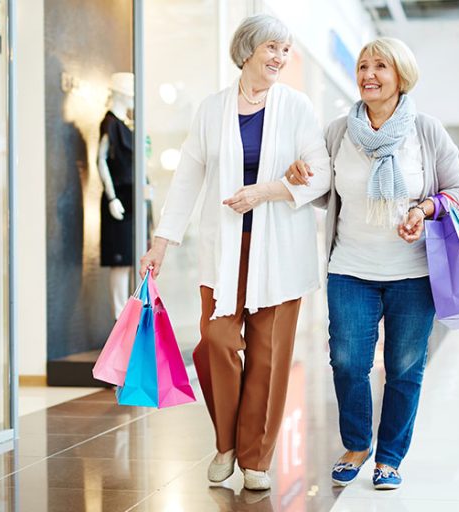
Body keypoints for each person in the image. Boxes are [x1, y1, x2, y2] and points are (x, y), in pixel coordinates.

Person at [139, 14, 330, 491]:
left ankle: (255, 459)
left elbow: (321, 175)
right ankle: (226, 441)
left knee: (268, 357)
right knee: (217, 342)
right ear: (246, 50)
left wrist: (267, 190)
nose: (280, 58)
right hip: (226, 249)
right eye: (272, 48)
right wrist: (161, 241)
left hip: (280, 251)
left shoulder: (298, 107)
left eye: (285, 51)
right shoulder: (212, 109)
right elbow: (187, 179)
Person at [287, 37, 459, 490]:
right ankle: (356, 444)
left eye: (380, 66)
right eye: (363, 66)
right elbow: (323, 192)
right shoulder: (337, 132)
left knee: (405, 368)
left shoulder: (425, 130)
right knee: (348, 362)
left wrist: (423, 210)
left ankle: (390, 457)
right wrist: (299, 175)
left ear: (400, 76)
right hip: (350, 266)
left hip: (414, 272)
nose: (368, 74)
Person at [98, 72, 135, 319]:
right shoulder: (110, 124)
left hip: (131, 198)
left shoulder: (127, 126)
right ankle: (119, 313)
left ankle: (129, 313)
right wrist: (112, 198)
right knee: (120, 261)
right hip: (119, 197)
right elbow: (101, 160)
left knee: (131, 258)